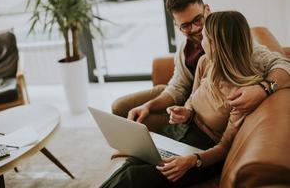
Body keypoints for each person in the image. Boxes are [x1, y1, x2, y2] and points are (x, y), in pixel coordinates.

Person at [101, 10, 279, 187]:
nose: (200, 42)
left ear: (216, 44)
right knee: (131, 161)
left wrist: (192, 161)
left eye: (204, 38)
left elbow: (225, 147)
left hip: (205, 152)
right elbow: (192, 99)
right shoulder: (205, 63)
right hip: (182, 131)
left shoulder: (241, 94)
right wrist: (186, 112)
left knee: (133, 177)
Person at [112, 0, 290, 136]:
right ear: (177, 26)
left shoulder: (232, 42)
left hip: (203, 111)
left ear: (207, 9)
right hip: (185, 102)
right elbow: (178, 87)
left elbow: (283, 64)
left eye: (198, 19)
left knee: (132, 121)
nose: (195, 29)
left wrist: (264, 88)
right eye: (185, 26)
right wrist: (148, 106)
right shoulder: (184, 50)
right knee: (120, 107)